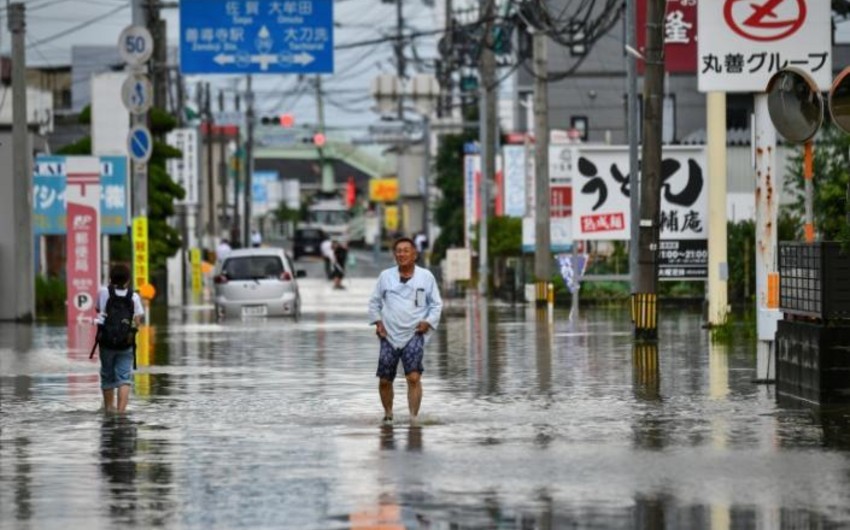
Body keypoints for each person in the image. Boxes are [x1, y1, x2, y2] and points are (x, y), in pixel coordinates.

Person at [368, 237, 443, 425]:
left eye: (405, 250)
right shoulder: (386, 276)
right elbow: (374, 303)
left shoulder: (426, 277)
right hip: (389, 335)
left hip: (415, 333)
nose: (401, 254)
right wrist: (378, 323)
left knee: (413, 377)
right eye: (398, 251)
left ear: (414, 254)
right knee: (385, 379)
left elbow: (436, 305)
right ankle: (388, 414)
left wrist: (428, 322)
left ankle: (413, 418)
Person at [95, 264, 144, 414]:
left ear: (110, 278)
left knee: (107, 375)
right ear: (128, 280)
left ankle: (109, 409)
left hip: (106, 342)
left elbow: (98, 310)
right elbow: (138, 321)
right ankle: (121, 412)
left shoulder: (104, 292)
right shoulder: (133, 296)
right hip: (126, 343)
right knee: (124, 378)